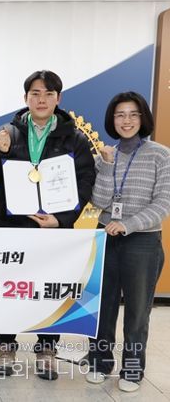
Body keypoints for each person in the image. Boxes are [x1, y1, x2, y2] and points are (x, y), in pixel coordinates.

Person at [0, 70, 95, 380]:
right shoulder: (8, 133)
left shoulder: (74, 137)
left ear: (58, 99)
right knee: (8, 289)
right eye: (35, 93)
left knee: (51, 289)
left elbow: (85, 181)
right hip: (12, 226)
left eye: (49, 94)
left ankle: (46, 350)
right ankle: (5, 346)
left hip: (54, 229)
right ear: (25, 98)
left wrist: (61, 220)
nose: (41, 99)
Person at [86, 92, 170, 392]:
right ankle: (99, 362)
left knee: (137, 311)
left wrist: (127, 224)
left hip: (143, 243)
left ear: (142, 118)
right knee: (102, 306)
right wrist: (107, 165)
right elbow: (98, 202)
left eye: (133, 114)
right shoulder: (103, 156)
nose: (127, 120)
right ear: (112, 119)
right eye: (120, 114)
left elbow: (163, 203)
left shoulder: (161, 155)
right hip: (106, 237)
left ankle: (132, 370)